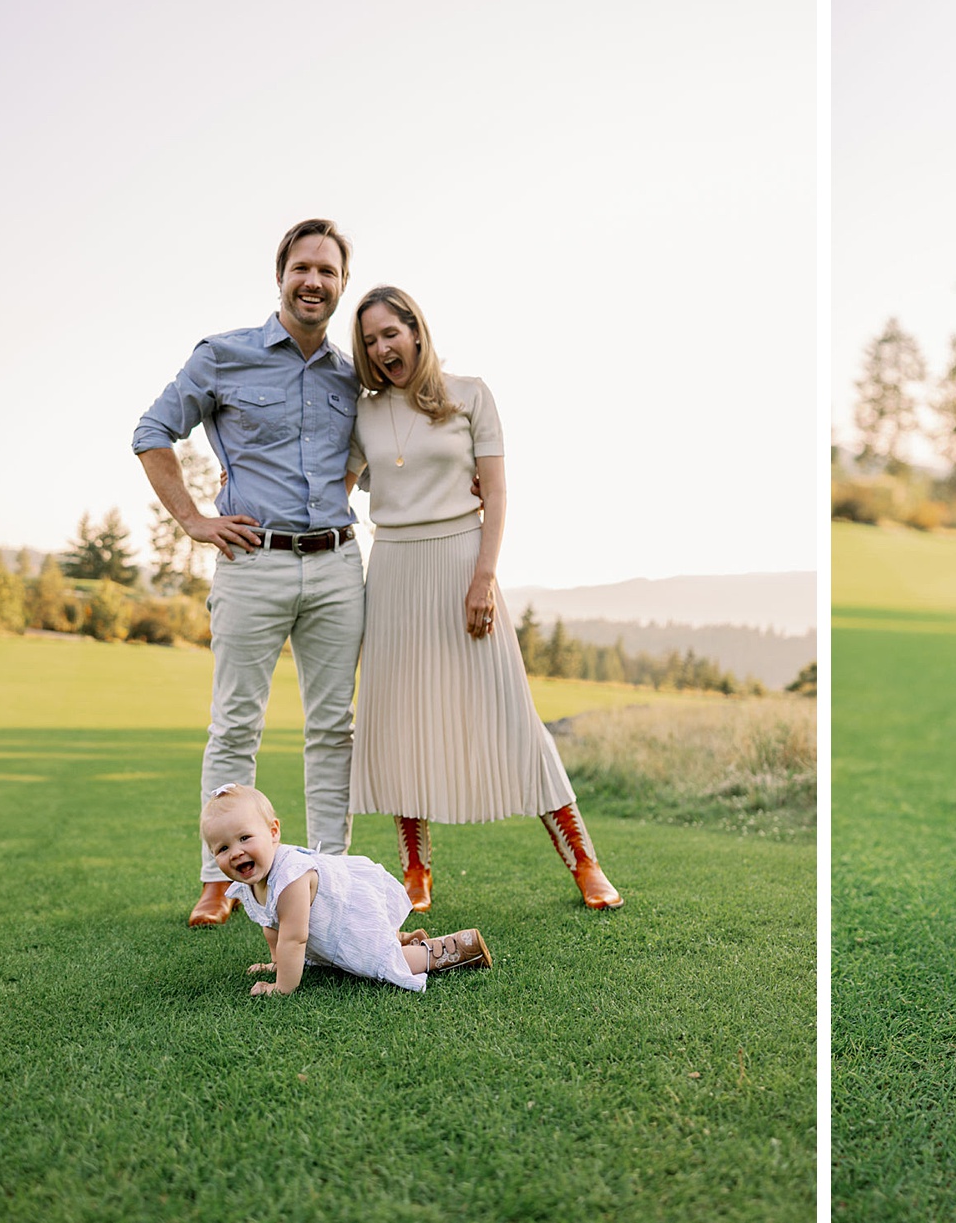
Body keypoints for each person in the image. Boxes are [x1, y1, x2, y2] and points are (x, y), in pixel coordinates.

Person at [345, 286, 622, 913]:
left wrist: (482, 578)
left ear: (416, 331)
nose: (382, 348)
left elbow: (496, 494)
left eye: (390, 333)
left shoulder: (471, 394)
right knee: (402, 720)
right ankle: (415, 871)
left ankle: (585, 862)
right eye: (369, 340)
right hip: (391, 572)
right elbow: (333, 487)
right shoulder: (363, 412)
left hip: (462, 562)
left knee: (513, 715)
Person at [134, 219, 365, 928]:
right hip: (251, 562)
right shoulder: (223, 355)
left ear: (342, 285)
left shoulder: (352, 375)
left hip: (337, 565)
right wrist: (194, 520)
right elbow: (151, 433)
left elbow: (382, 452)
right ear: (281, 276)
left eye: (327, 271)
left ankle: (328, 874)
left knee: (333, 728)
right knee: (235, 724)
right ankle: (220, 881)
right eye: (303, 268)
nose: (314, 281)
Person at [202, 784, 491, 995]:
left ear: (273, 832)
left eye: (245, 838)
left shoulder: (290, 877)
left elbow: (294, 938)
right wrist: (278, 963)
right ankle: (401, 938)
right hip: (339, 916)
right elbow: (272, 926)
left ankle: (453, 948)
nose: (236, 852)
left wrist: (282, 986)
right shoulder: (252, 881)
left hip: (347, 920)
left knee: (377, 961)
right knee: (373, 941)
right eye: (223, 848)